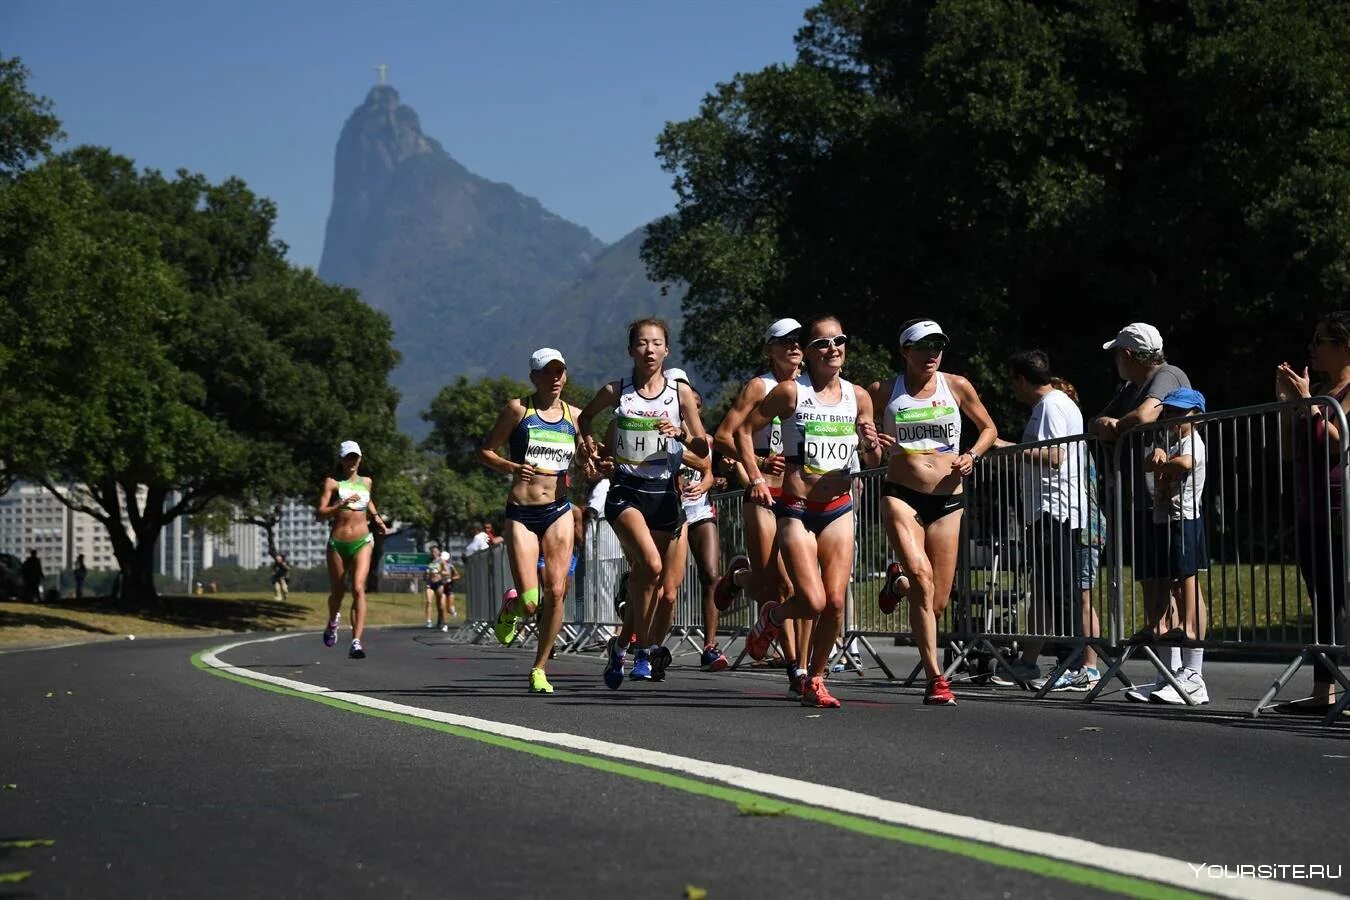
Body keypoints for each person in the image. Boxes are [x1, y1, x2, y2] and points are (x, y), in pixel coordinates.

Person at [739, 315, 884, 708]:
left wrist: (871, 443)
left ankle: (816, 679)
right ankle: (772, 618)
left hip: (838, 508)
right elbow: (741, 431)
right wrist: (754, 475)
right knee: (813, 601)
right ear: (811, 351)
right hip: (798, 510)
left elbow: (872, 458)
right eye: (822, 343)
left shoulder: (860, 397)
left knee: (835, 603)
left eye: (839, 340)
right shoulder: (790, 393)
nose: (832, 348)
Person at [869, 319, 998, 706]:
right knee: (923, 577)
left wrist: (972, 455)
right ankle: (936, 678)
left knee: (937, 602)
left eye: (938, 345)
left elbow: (988, 428)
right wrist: (870, 437)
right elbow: (864, 442)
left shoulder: (956, 385)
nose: (932, 353)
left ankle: (898, 582)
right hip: (901, 495)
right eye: (923, 346)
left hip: (948, 500)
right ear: (905, 351)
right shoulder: (884, 391)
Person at [578, 318, 710, 689]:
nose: (649, 350)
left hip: (664, 495)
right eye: (641, 343)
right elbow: (585, 418)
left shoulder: (680, 394)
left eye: (656, 343)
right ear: (631, 350)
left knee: (652, 583)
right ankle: (643, 650)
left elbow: (701, 448)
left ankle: (621, 646)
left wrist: (680, 434)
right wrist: (587, 445)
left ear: (666, 350)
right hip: (627, 492)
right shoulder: (616, 391)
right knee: (650, 567)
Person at [989, 352, 1098, 691]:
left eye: (1012, 381)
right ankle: (1058, 662)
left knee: (1060, 590)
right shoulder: (1051, 405)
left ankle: (1072, 662)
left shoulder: (1051, 405)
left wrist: (1003, 447)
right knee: (1052, 589)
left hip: (1056, 510)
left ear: (1021, 379)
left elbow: (1053, 456)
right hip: (1048, 510)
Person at [713, 317, 809, 696]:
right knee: (778, 583)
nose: (794, 347)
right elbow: (723, 436)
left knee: (798, 584)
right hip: (763, 492)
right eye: (784, 341)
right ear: (769, 349)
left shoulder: (813, 387)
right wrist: (759, 463)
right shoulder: (760, 386)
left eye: (799, 341)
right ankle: (794, 668)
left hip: (804, 496)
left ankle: (801, 666)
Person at [479, 347, 583, 694]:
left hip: (558, 510)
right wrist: (511, 467)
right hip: (521, 513)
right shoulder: (517, 409)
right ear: (534, 377)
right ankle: (513, 604)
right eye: (547, 372)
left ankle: (539, 667)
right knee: (531, 602)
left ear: (565, 375)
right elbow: (486, 451)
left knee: (557, 590)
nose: (555, 378)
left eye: (560, 372)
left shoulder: (576, 417)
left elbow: (586, 460)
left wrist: (596, 465)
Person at [1276, 312, 1350, 713]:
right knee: (1321, 598)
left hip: (1340, 508)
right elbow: (1291, 453)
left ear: (1344, 346)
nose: (1313, 347)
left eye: (1321, 340)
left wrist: (1309, 402)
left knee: (1341, 596)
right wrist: (1290, 406)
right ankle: (1326, 693)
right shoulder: (1320, 390)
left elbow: (1339, 443)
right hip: (1310, 506)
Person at [1126, 388, 1211, 704]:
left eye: (1181, 414)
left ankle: (1191, 658)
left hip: (1184, 519)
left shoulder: (1191, 443)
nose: (1173, 419)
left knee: (1184, 578)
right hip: (1164, 520)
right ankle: (1169, 674)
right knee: (1166, 579)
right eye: (1170, 413)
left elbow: (1186, 464)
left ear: (1197, 417)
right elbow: (1150, 465)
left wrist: (1165, 461)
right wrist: (1158, 457)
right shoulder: (1171, 441)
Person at [666, 368, 730, 673]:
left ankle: (709, 646)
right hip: (669, 511)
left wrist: (707, 483)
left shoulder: (704, 438)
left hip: (700, 510)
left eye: (695, 405)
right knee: (668, 583)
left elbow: (708, 470)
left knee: (712, 575)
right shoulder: (660, 428)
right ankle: (651, 643)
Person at [316, 440, 388, 659]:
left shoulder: (367, 482)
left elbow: (369, 501)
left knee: (358, 588)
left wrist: (377, 519)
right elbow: (320, 513)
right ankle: (332, 621)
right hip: (337, 543)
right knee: (338, 592)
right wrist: (341, 503)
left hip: (362, 541)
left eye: (355, 457)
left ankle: (356, 641)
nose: (352, 461)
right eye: (348, 457)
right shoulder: (332, 483)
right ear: (341, 459)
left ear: (360, 459)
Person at [423, 544, 444, 629]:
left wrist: (439, 572)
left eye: (435, 551)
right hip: (430, 584)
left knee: (439, 604)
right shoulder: (429, 561)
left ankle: (440, 619)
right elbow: (424, 575)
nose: (434, 553)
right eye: (432, 552)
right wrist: (426, 574)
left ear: (439, 552)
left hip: (439, 583)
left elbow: (447, 572)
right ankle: (428, 621)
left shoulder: (442, 561)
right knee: (428, 601)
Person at [441, 552, 460, 627]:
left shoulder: (450, 566)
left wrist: (451, 578)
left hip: (449, 587)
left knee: (449, 608)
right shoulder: (438, 566)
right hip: (441, 587)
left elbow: (458, 576)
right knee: (442, 606)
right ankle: (444, 624)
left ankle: (452, 611)